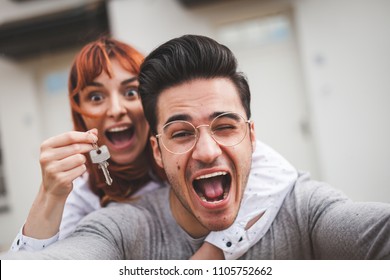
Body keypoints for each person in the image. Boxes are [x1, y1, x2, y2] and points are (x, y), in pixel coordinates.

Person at [3, 34, 388, 260]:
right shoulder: (100, 210)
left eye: (131, 92)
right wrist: (50, 196)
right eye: (181, 133)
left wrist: (213, 253)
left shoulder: (292, 196)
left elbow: (285, 184)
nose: (117, 109)